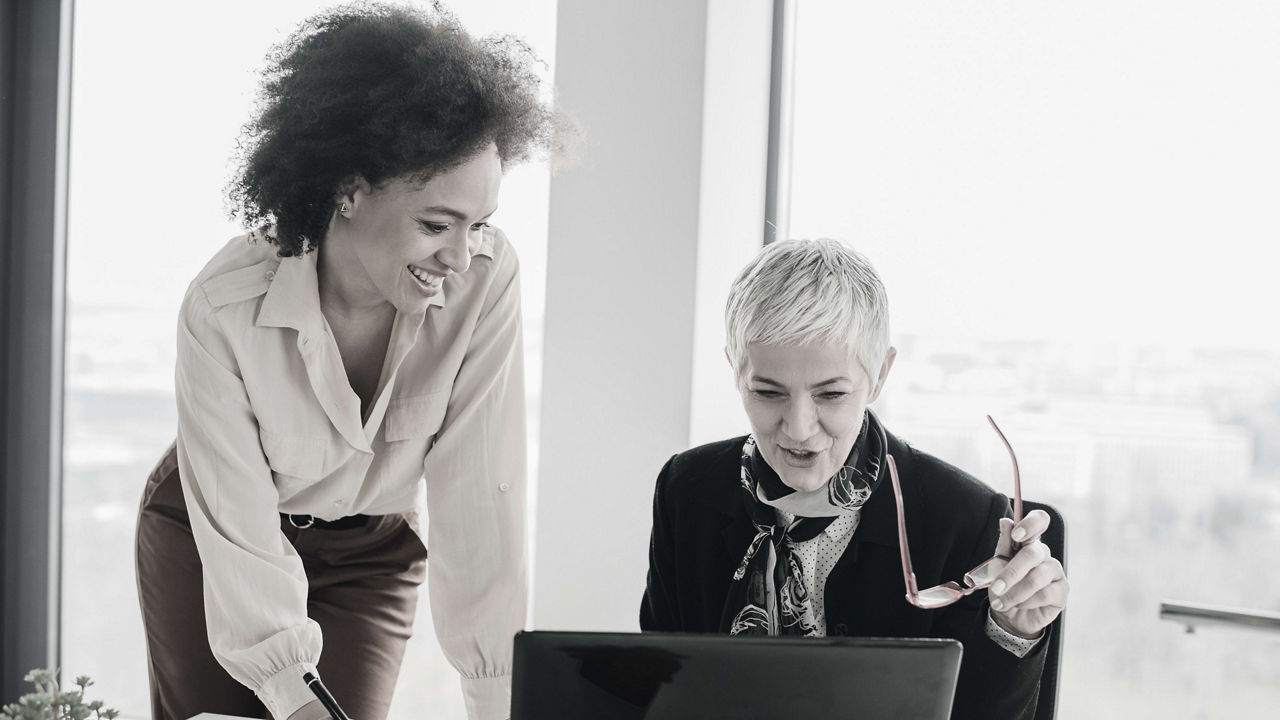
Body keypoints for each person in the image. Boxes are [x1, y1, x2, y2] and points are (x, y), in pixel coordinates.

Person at [134, 5, 561, 720]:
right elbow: (238, 528)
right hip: (213, 535)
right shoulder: (224, 306)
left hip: (371, 547)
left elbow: (480, 497)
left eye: (478, 224)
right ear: (349, 190)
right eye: (435, 224)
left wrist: (498, 700)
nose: (458, 257)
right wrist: (287, 692)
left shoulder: (484, 280)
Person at [639, 239, 1069, 719]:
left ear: (879, 376)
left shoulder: (966, 520)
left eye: (831, 395)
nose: (798, 428)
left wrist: (1012, 631)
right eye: (766, 391)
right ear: (735, 372)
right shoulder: (687, 490)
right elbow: (658, 692)